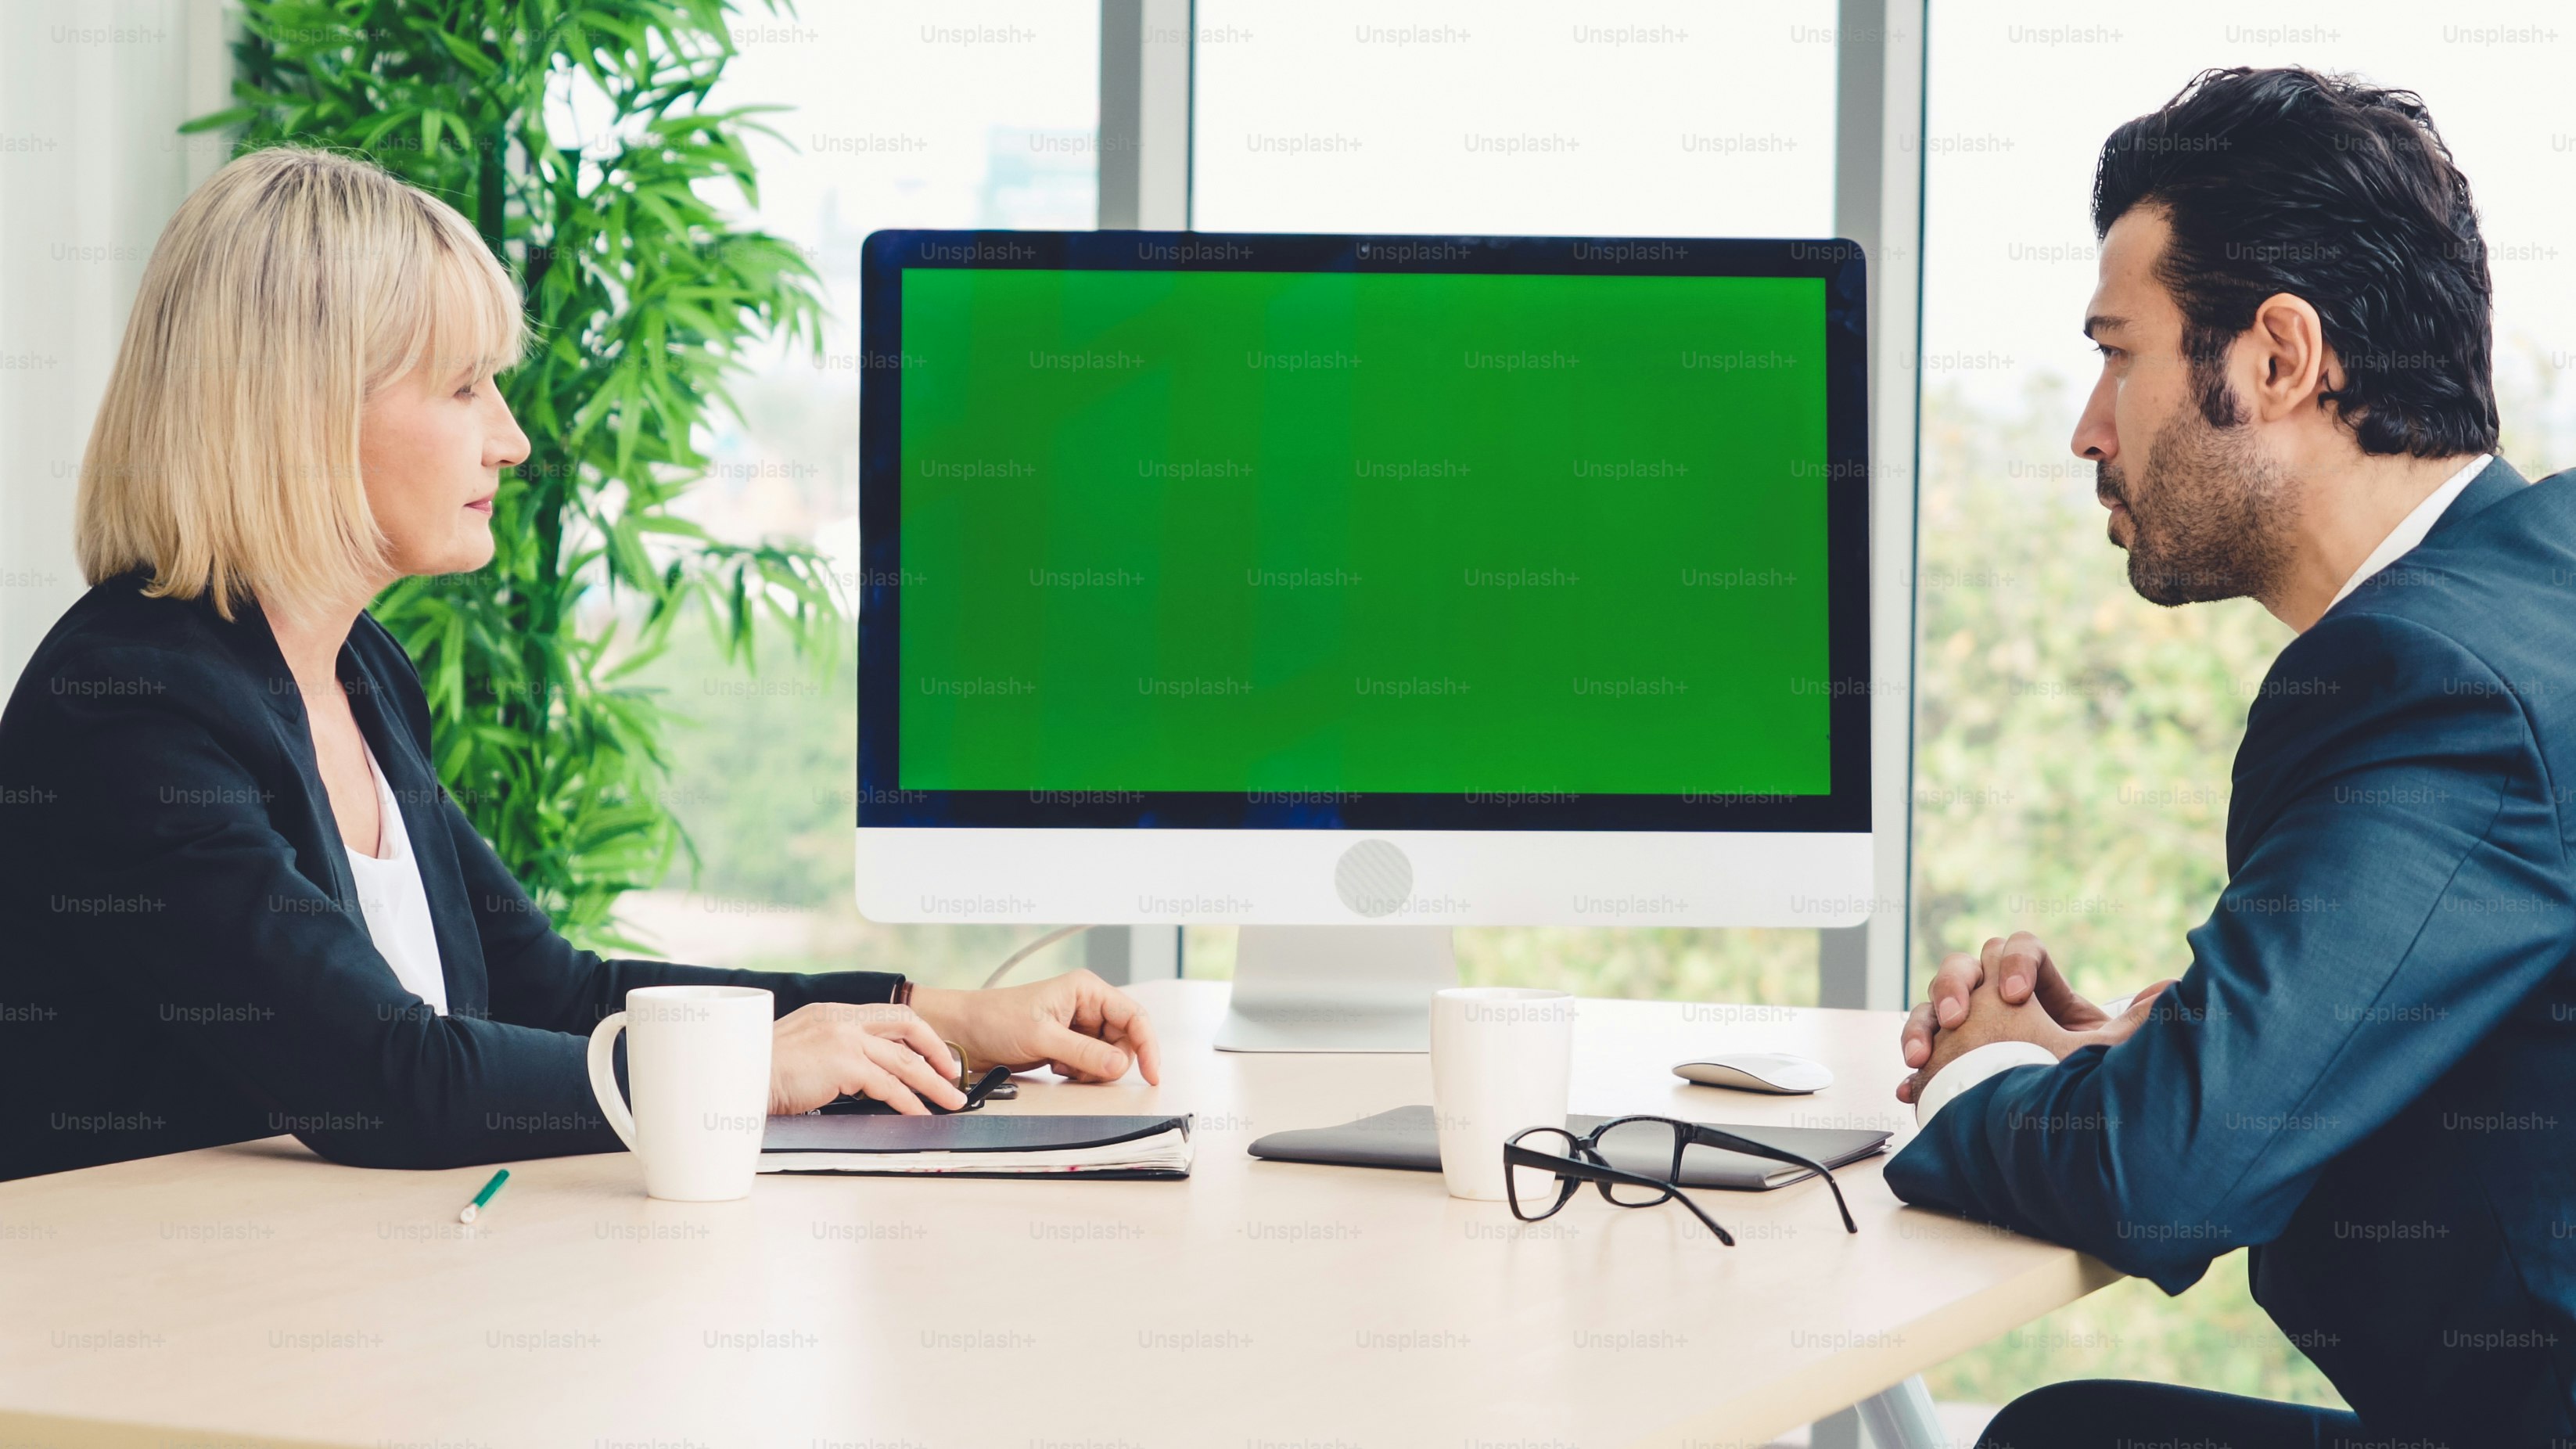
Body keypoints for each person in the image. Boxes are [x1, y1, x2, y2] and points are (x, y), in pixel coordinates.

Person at [0, 146, 1159, 1184]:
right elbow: (384, 1079)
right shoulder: (132, 708)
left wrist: (935, 1014)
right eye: (463, 388)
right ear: (300, 413)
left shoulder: (357, 671)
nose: (509, 437)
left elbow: (547, 991)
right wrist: (746, 1070)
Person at [1886, 67, 2576, 1444]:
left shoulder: (2423, 680)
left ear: (2275, 357)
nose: (2088, 428)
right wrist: (2155, 1051)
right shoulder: (2540, 580)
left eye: (2117, 352)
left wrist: (1983, 1079)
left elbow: (2171, 1176)